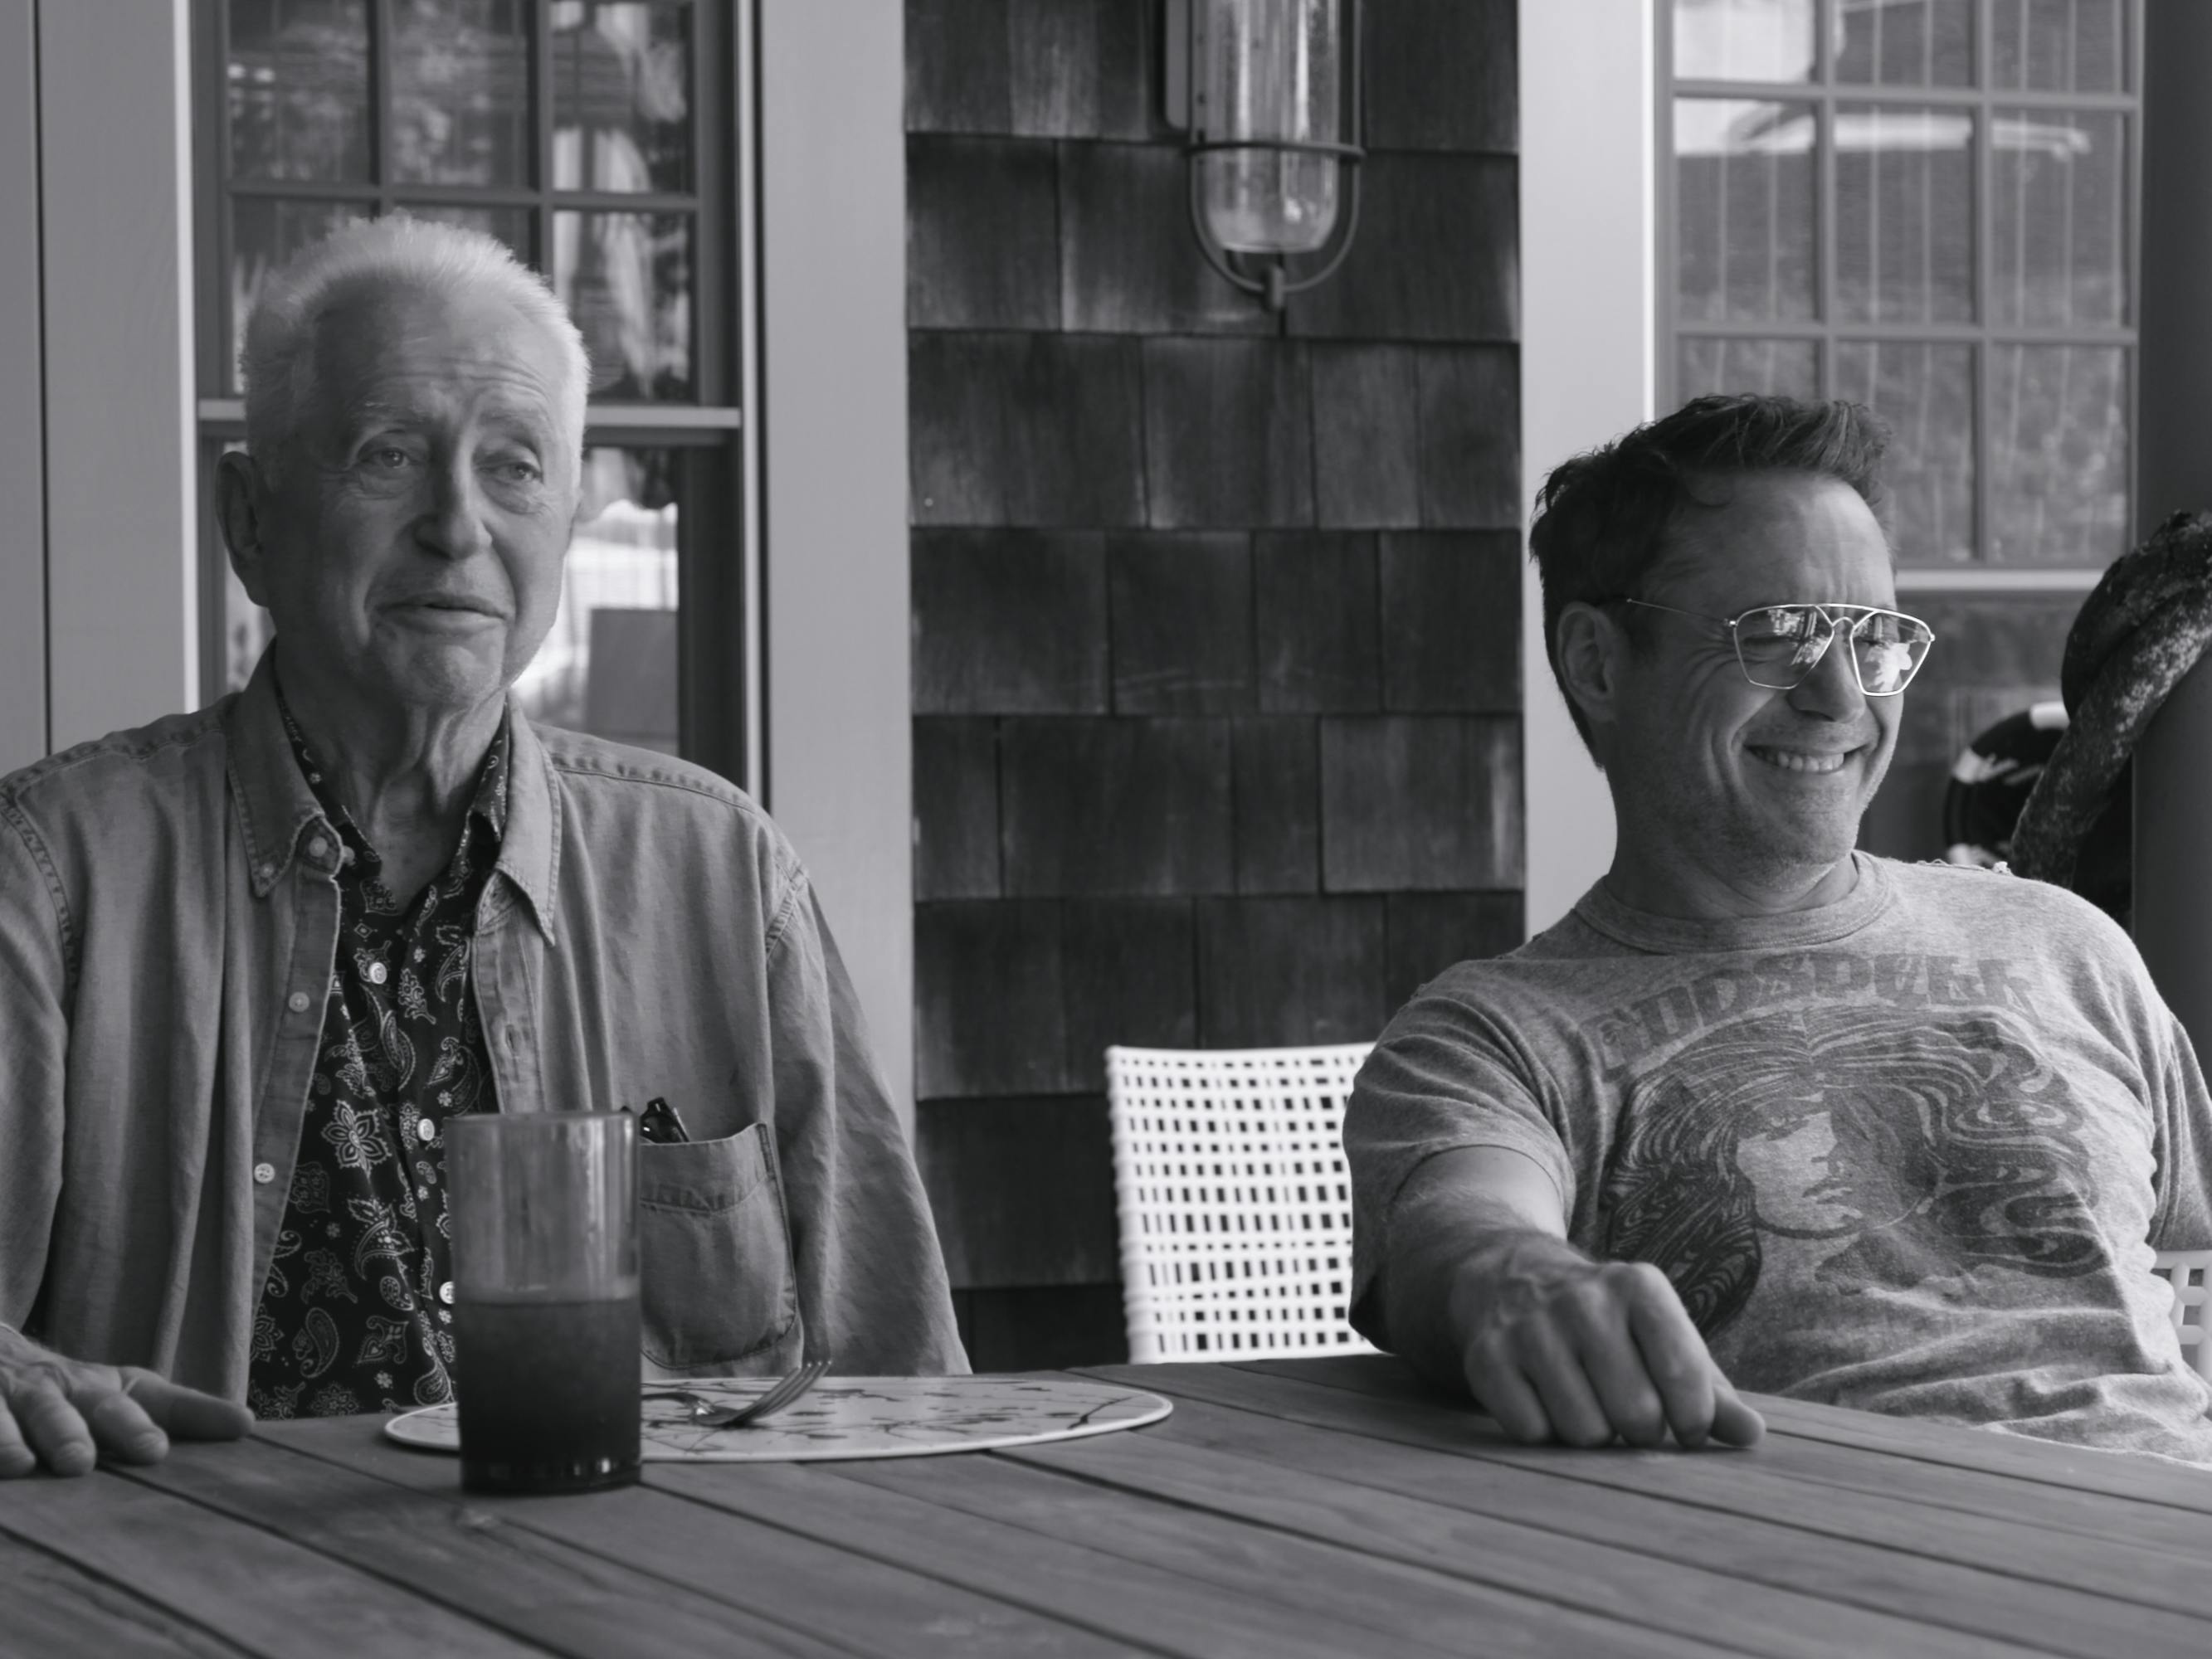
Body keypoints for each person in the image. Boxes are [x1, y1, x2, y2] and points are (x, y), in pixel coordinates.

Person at [0, 217, 963, 1478]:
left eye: (514, 468)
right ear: (249, 521)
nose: (456, 527)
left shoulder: (721, 878)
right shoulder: (55, 877)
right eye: (387, 455)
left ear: (564, 523)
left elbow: (904, 1387)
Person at [1346, 395, 2212, 1462]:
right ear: (1597, 663)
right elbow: (1468, 1233)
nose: (1842, 697)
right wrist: (1512, 1280)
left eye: (1876, 638)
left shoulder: (2064, 947)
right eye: (1781, 636)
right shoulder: (1497, 1036)